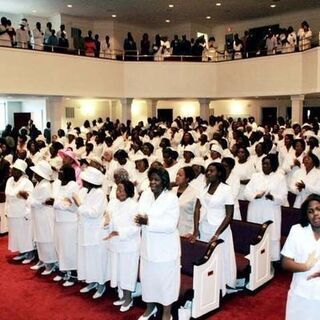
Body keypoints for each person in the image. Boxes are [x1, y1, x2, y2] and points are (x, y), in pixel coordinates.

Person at [135, 167, 180, 320]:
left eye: (156, 179)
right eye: (151, 179)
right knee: (148, 281)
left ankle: (167, 314)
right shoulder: (146, 194)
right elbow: (139, 212)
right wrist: (142, 219)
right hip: (148, 246)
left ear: (164, 181)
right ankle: (149, 309)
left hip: (165, 249)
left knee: (165, 284)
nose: (153, 182)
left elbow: (170, 225)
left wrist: (148, 221)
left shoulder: (172, 198)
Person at [190, 162, 236, 296]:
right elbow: (197, 208)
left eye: (212, 171)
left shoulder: (226, 189)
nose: (208, 173)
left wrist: (217, 234)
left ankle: (220, 287)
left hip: (219, 229)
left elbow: (229, 215)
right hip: (204, 226)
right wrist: (195, 229)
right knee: (207, 258)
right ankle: (208, 285)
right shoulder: (204, 188)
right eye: (207, 171)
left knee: (219, 258)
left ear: (219, 173)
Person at [281, 194, 320, 320]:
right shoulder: (297, 230)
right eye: (310, 211)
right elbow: (285, 263)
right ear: (306, 215)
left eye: (319, 209)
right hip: (301, 291)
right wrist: (305, 266)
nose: (315, 214)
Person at [105, 180, 140, 312]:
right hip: (115, 244)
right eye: (117, 189)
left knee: (127, 272)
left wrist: (120, 232)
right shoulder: (113, 203)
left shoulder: (134, 205)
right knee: (118, 271)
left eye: (121, 189)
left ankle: (128, 298)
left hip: (128, 245)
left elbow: (136, 227)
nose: (118, 192)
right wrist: (106, 223)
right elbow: (108, 218)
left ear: (129, 191)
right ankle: (121, 295)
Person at [74, 166, 109, 299]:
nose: (82, 182)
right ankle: (91, 281)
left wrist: (80, 206)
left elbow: (94, 213)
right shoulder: (85, 191)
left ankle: (100, 285)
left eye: (84, 180)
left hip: (95, 233)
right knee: (87, 259)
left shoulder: (99, 194)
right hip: (84, 230)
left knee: (96, 260)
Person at [244, 154, 288, 261]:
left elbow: (283, 197)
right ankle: (255, 259)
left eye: (267, 164)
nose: (264, 166)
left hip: (271, 210)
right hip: (255, 209)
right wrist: (255, 195)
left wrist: (272, 196)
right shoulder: (255, 176)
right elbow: (246, 192)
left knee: (270, 234)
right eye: (263, 164)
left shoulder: (280, 178)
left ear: (273, 165)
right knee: (255, 233)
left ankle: (269, 260)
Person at [49, 165, 79, 286]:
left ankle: (73, 273)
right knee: (59, 246)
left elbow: (69, 205)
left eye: (61, 171)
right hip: (58, 219)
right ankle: (64, 270)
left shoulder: (73, 185)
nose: (59, 173)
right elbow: (56, 199)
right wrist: (58, 201)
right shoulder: (57, 184)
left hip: (69, 222)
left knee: (69, 249)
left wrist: (55, 202)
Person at [28, 160, 58, 274]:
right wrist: (31, 199)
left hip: (44, 215)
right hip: (38, 215)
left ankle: (50, 264)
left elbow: (41, 202)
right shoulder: (39, 184)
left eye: (36, 173)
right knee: (39, 238)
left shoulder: (45, 186)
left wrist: (28, 198)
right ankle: (43, 260)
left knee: (46, 239)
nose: (34, 174)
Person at [5, 159, 35, 264]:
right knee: (15, 234)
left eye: (14, 169)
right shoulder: (9, 180)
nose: (11, 171)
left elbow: (30, 198)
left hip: (22, 213)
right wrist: (6, 209)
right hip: (12, 212)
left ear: (20, 171)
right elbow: (7, 196)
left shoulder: (27, 182)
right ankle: (22, 252)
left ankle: (30, 254)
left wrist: (28, 213)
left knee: (25, 234)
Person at [173, 166, 197, 236]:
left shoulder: (194, 193)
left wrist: (192, 231)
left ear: (187, 178)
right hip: (170, 230)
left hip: (185, 232)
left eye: (180, 175)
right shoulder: (172, 191)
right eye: (177, 174)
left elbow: (196, 214)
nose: (177, 177)